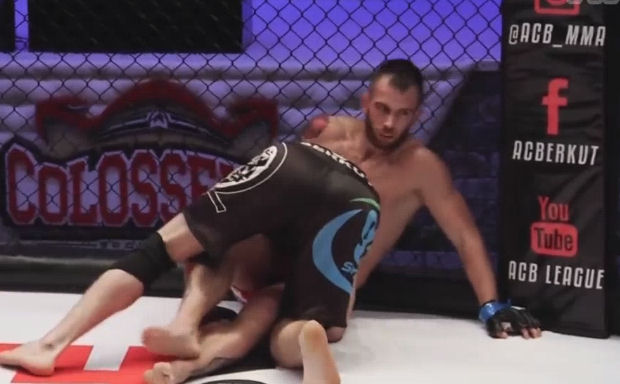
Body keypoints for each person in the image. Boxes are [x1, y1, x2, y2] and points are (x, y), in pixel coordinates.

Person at [140, 59, 542, 384]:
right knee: (221, 241)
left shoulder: (423, 169)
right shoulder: (326, 133)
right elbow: (272, 191)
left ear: (418, 115)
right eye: (383, 109)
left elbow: (466, 237)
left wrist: (490, 306)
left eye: (403, 114)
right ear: (366, 101)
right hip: (276, 255)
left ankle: (187, 369)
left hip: (330, 279)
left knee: (261, 314)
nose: (390, 123)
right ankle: (189, 326)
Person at [0, 135, 380, 384]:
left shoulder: (250, 269)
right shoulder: (273, 293)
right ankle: (307, 338)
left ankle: (51, 346)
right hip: (361, 197)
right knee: (306, 326)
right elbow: (247, 331)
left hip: (296, 160)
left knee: (163, 250)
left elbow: (239, 323)